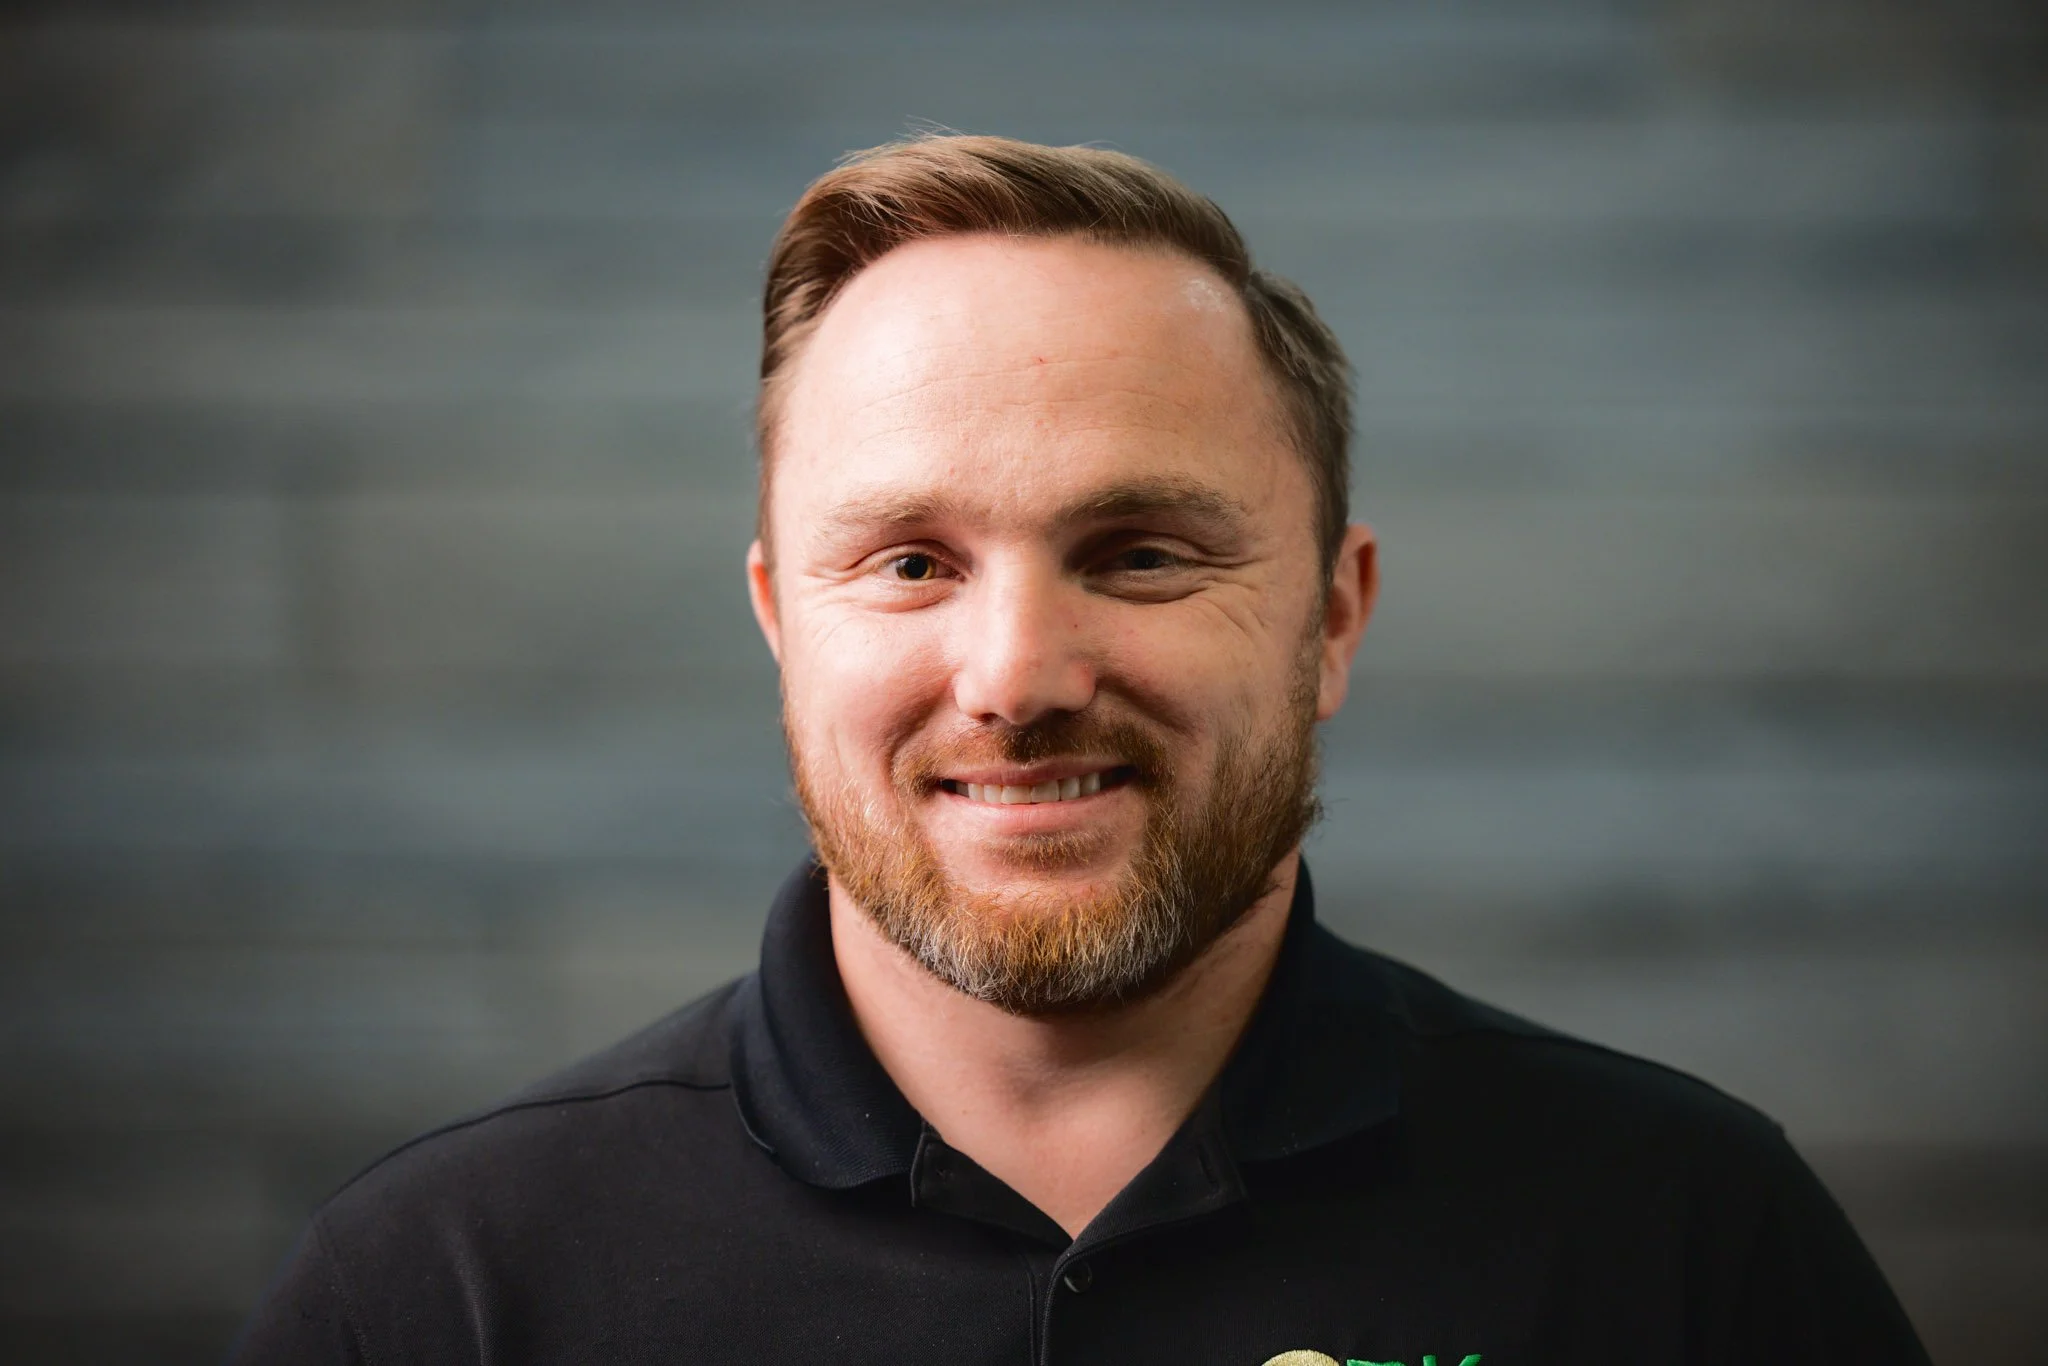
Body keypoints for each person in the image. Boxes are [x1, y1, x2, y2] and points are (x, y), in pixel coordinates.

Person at [230, 135, 1928, 1365]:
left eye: (1140, 552)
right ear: (779, 617)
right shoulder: (439, 1292)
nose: (1018, 673)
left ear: (1332, 617)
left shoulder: (1691, 1240)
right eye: (909, 562)